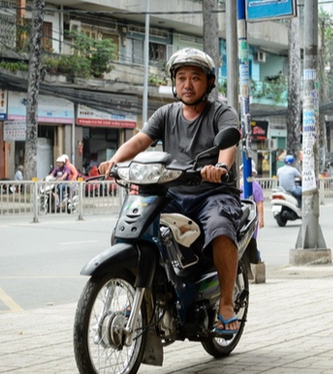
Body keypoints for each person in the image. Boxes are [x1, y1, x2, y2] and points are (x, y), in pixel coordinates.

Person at [98, 47, 242, 336]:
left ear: (210, 82)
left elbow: (229, 146)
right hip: (173, 193)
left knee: (221, 227)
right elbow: (140, 141)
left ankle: (226, 305)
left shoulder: (221, 113)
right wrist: (115, 160)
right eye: (181, 78)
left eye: (195, 78)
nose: (187, 85)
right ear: (174, 83)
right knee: (129, 229)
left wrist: (221, 168)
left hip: (212, 193)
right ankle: (142, 295)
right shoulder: (166, 114)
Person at [239, 162, 264, 276]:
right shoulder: (240, 185)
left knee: (252, 243)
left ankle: (255, 262)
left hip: (252, 217)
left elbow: (259, 203)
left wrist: (261, 219)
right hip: (241, 217)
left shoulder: (256, 187)